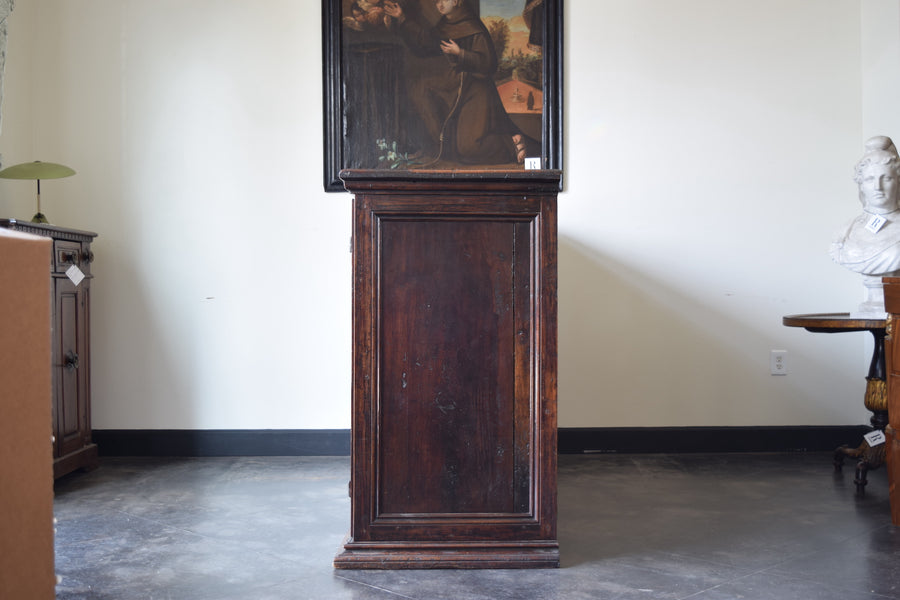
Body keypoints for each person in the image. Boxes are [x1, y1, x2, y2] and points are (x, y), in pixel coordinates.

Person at [382, 0, 527, 165]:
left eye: (444, 0)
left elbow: (489, 63)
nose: (439, 4)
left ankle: (511, 143)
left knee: (469, 148)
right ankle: (438, 146)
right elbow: (425, 43)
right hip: (455, 87)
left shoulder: (473, 27)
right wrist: (402, 18)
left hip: (476, 91)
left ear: (457, 1)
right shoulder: (445, 24)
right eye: (437, 1)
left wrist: (461, 53)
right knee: (420, 90)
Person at [830, 136, 900, 313]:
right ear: (861, 185)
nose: (878, 186)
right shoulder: (845, 231)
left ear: (898, 182)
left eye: (887, 179)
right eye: (870, 179)